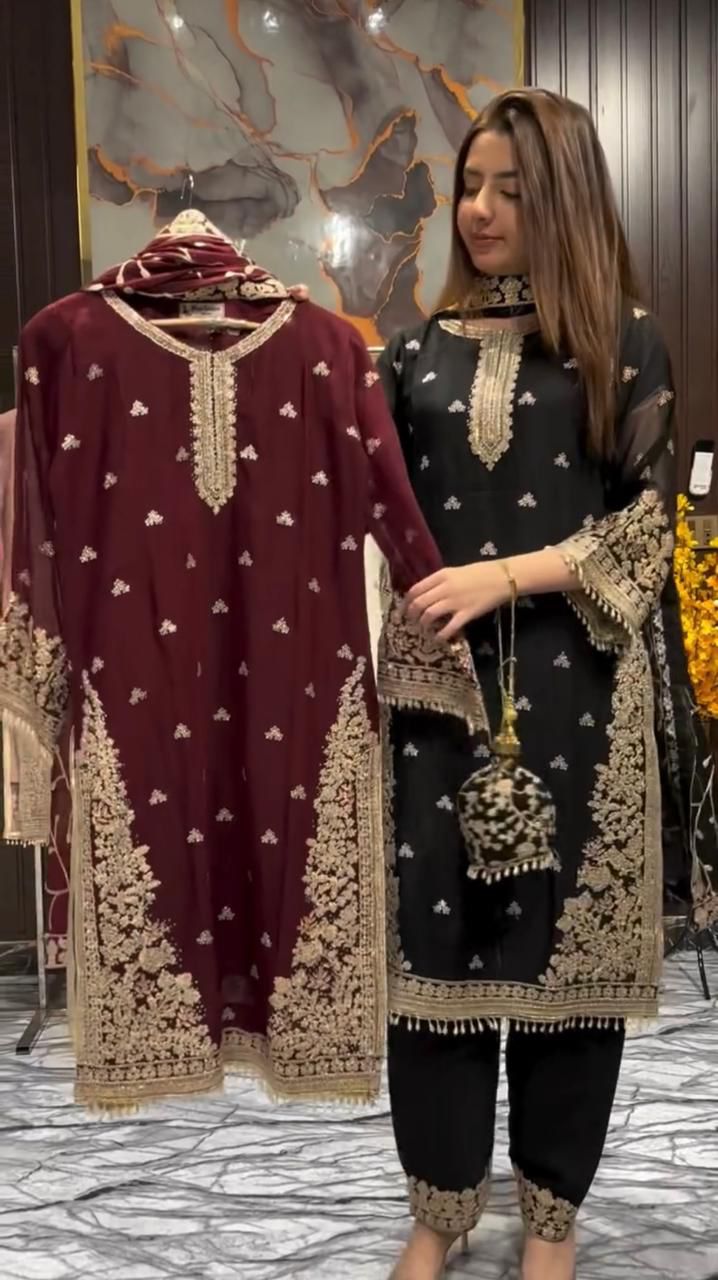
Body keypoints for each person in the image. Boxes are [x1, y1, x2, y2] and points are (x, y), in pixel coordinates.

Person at [373, 89, 675, 1280]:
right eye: (469, 184)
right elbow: (354, 500)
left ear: (564, 200)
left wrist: (502, 574)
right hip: (439, 703)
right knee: (433, 971)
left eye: (511, 188)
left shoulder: (621, 343)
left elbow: (645, 529)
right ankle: (439, 1209)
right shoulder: (413, 354)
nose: (480, 209)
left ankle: (551, 1216)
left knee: (569, 980)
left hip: (579, 696)